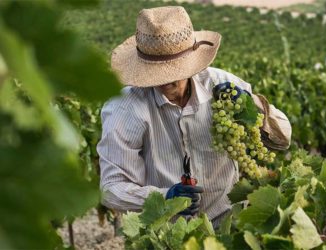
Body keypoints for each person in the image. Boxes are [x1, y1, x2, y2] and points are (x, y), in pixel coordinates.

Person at [97, 6, 292, 227]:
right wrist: (164, 197)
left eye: (174, 71)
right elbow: (111, 188)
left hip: (226, 222)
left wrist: (252, 105)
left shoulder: (223, 88)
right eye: (156, 73)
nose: (167, 81)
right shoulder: (125, 108)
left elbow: (282, 139)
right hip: (166, 232)